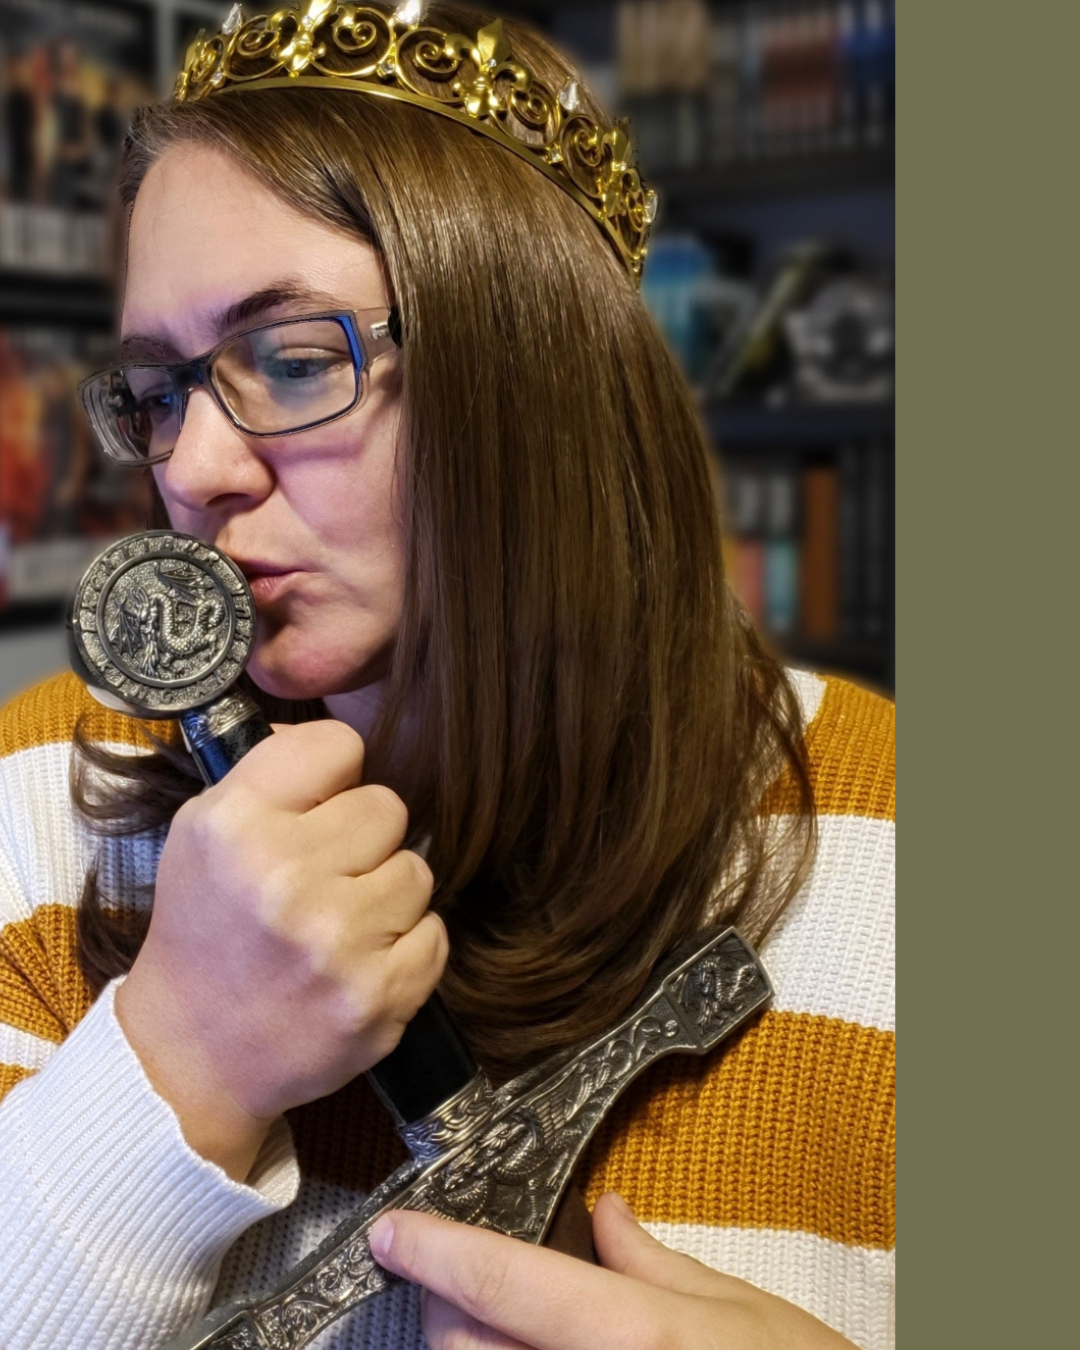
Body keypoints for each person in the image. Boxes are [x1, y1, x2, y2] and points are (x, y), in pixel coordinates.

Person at [0, 3, 894, 1348]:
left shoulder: (922, 848)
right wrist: (178, 1055)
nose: (186, 470)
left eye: (293, 360)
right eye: (159, 391)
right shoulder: (35, 806)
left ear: (542, 375)